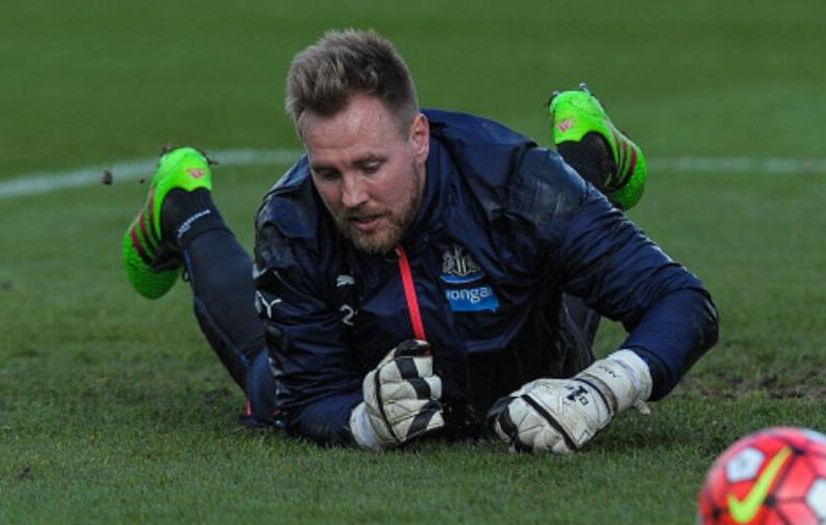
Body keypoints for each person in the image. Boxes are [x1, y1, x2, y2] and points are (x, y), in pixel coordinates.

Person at [121, 29, 718, 453]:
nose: (351, 196)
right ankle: (183, 203)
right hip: (365, 376)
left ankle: (588, 150)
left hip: (532, 349)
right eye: (327, 172)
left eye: (370, 166)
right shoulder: (293, 221)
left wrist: (599, 392)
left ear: (419, 138)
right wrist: (365, 423)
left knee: (562, 253)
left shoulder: (513, 185)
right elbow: (308, 399)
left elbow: (682, 301)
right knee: (266, 378)